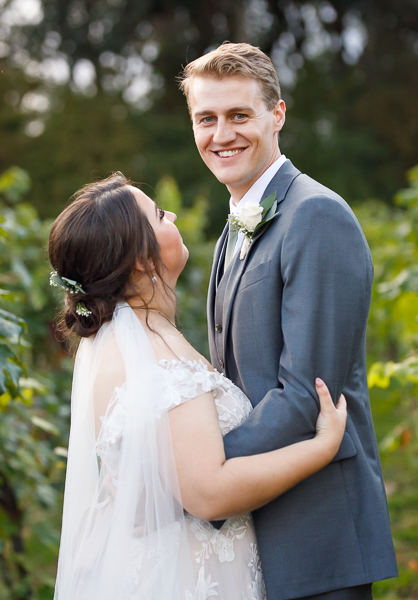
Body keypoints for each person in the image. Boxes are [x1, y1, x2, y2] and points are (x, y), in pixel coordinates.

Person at [48, 172, 349, 599]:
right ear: (139, 258)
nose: (170, 213)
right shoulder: (154, 355)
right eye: (158, 214)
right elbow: (209, 492)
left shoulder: (120, 338)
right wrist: (320, 448)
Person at [179, 42, 397, 599]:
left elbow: (306, 394)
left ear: (277, 115)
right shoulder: (236, 224)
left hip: (318, 537)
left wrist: (197, 477)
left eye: (238, 115)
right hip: (259, 527)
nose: (221, 134)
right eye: (207, 118)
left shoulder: (316, 214)